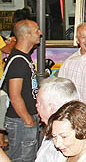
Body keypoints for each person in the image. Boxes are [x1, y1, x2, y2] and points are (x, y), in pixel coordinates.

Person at [2, 20, 42, 162]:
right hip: (20, 121)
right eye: (37, 30)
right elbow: (15, 95)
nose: (40, 33)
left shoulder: (23, 57)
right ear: (26, 35)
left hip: (24, 120)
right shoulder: (19, 61)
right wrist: (28, 120)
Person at [35, 77, 80, 162]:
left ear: (51, 108)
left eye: (39, 103)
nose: (36, 106)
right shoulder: (53, 129)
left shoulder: (64, 145)